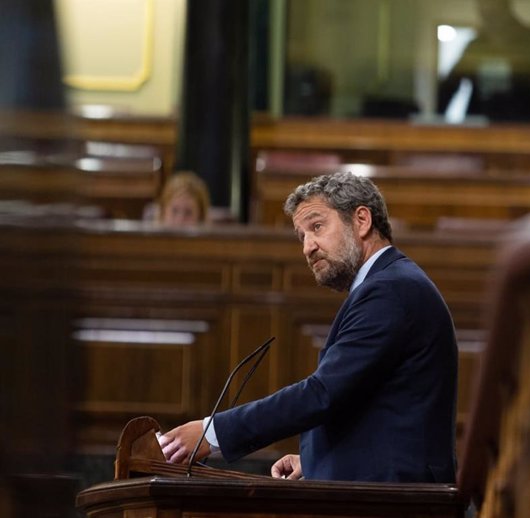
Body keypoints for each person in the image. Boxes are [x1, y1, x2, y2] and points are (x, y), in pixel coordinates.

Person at [158, 171, 458, 483]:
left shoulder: (390, 291)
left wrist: (212, 433)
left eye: (317, 227)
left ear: (362, 221)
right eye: (302, 236)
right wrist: (318, 458)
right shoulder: (392, 283)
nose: (308, 247)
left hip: (399, 501)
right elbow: (376, 405)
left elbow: (322, 394)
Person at [437, 0, 530, 122]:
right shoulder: (477, 46)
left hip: (527, 126)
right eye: (484, 12)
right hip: (482, 126)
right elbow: (450, 85)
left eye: (493, 12)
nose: (489, 18)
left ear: (505, 8)